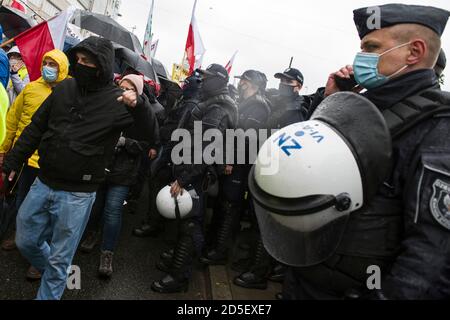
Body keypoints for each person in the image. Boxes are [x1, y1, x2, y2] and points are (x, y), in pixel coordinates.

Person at [257, 4, 450, 300]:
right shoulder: (363, 108)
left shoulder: (437, 129)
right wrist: (333, 105)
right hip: (309, 277)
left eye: (372, 48)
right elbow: (305, 170)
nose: (360, 59)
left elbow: (430, 260)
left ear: (414, 52)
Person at [1, 36, 153, 300]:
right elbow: (36, 126)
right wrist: (14, 160)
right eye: (78, 60)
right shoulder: (64, 88)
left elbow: (150, 133)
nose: (80, 65)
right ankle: (59, 272)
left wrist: (139, 106)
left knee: (60, 259)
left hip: (78, 194)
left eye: (88, 61)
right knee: (25, 240)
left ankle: (55, 278)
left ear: (102, 65)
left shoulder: (118, 101)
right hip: (43, 181)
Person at [151, 64, 238, 293]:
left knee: (191, 226)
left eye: (207, 78)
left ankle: (179, 277)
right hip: (190, 171)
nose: (202, 81)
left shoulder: (218, 108)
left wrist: (184, 177)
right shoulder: (213, 103)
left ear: (219, 81)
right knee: (187, 224)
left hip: (195, 175)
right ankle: (177, 267)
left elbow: (206, 150)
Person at [0, 50, 69, 281]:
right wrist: (5, 149)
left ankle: (39, 257)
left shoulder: (69, 93)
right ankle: (22, 239)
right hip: (25, 160)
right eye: (46, 63)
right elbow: (12, 119)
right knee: (21, 201)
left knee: (48, 213)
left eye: (54, 64)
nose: (48, 67)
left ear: (63, 68)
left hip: (50, 164)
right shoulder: (30, 88)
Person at [80, 74, 158, 277]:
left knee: (112, 210)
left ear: (138, 93)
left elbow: (146, 143)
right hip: (101, 166)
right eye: (121, 86)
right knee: (95, 206)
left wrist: (125, 143)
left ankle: (107, 252)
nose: (124, 91)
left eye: (130, 88)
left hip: (124, 170)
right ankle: (92, 234)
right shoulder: (110, 106)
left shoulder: (143, 116)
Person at [200, 70, 270, 267]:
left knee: (230, 207)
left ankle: (220, 251)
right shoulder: (245, 102)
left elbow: (246, 138)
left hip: (239, 165)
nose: (241, 84)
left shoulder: (258, 106)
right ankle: (213, 245)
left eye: (244, 81)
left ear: (252, 84)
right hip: (232, 161)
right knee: (223, 205)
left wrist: (231, 160)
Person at [133, 73, 202, 238]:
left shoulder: (190, 105)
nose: (183, 87)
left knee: (157, 181)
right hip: (170, 149)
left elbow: (179, 131)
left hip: (172, 151)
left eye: (186, 84)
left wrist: (168, 155)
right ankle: (156, 221)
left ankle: (154, 223)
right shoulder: (187, 102)